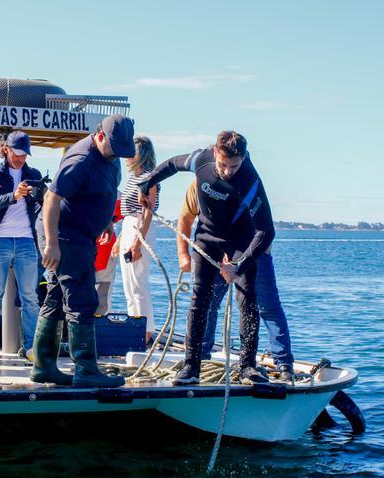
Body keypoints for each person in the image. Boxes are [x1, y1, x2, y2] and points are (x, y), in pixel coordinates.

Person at [139, 130, 274, 385]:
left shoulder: (250, 181)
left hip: (240, 240)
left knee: (247, 299)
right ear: (215, 153)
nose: (227, 171)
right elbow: (170, 165)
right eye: (223, 165)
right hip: (207, 237)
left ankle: (248, 366)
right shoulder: (201, 159)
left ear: (243, 159)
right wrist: (147, 184)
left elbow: (266, 232)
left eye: (233, 166)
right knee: (199, 298)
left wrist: (240, 265)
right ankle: (191, 366)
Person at [30, 114, 136, 388]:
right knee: (82, 299)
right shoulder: (80, 160)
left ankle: (43, 366)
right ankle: (86, 369)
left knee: (55, 296)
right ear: (100, 135)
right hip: (66, 234)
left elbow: (106, 192)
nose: (117, 156)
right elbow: (52, 199)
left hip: (84, 233)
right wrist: (52, 243)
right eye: (114, 149)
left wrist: (107, 223)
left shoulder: (110, 157)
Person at [179, 177, 296, 382]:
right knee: (207, 304)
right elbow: (186, 217)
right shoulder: (199, 183)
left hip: (253, 253)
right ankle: (201, 358)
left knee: (267, 307)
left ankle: (283, 362)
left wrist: (243, 260)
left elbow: (264, 227)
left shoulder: (250, 183)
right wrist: (183, 255)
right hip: (217, 253)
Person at [0, 131, 43, 366]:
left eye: (25, 154)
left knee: (30, 298)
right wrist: (13, 196)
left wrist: (41, 194)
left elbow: (41, 206)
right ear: (6, 149)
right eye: (17, 153)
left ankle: (31, 347)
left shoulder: (33, 175)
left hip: (26, 240)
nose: (21, 158)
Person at [116, 136, 159, 342]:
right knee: (128, 284)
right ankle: (135, 328)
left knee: (138, 282)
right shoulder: (134, 178)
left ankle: (146, 331)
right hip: (129, 225)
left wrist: (137, 243)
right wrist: (120, 239)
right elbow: (128, 214)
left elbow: (148, 212)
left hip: (140, 227)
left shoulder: (150, 178)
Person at [94, 200, 123, 315]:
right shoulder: (112, 190)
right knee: (102, 296)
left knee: (102, 295)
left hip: (103, 250)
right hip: (101, 249)